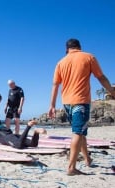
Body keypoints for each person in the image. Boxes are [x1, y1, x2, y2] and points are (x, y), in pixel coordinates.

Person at [48, 38, 115, 176]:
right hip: (81, 101)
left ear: (67, 49)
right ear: (79, 47)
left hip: (66, 103)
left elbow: (55, 85)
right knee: (78, 133)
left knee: (81, 131)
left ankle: (87, 159)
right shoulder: (88, 57)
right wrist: (112, 92)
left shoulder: (61, 62)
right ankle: (71, 168)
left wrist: (52, 105)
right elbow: (101, 77)